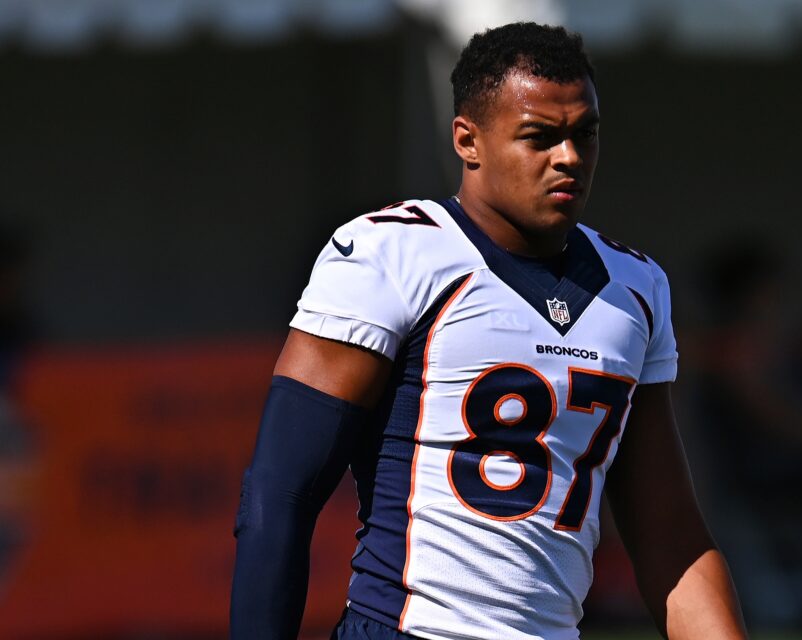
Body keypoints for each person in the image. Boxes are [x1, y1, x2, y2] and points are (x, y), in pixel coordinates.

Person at [230, 22, 746, 640]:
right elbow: (279, 493)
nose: (570, 157)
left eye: (585, 134)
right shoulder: (391, 254)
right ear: (468, 141)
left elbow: (670, 534)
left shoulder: (636, 288)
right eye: (540, 137)